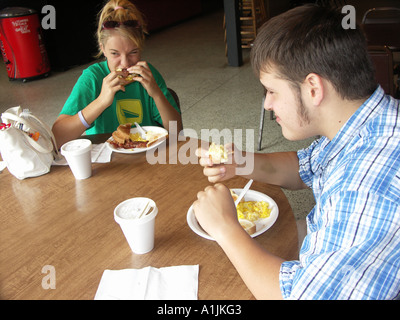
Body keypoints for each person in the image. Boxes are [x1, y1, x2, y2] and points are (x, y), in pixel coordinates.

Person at [193, 4, 400, 299]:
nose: (267, 104)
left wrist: (226, 228)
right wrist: (240, 163)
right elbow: (304, 167)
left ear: (313, 88)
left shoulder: (364, 187)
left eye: (272, 91)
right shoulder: (365, 122)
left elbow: (302, 296)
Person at [52, 0, 182, 148]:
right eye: (115, 54)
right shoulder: (92, 78)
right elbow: (57, 138)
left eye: (133, 52)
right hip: (109, 163)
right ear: (103, 49)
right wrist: (101, 101)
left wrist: (157, 94)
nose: (125, 63)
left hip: (149, 157)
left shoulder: (148, 74)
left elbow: (176, 133)